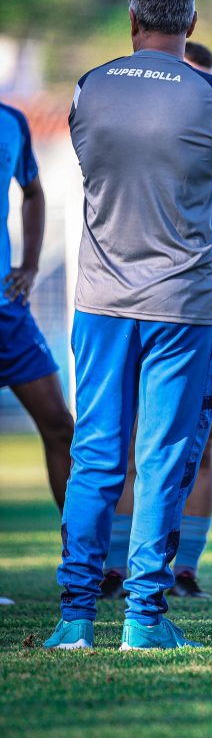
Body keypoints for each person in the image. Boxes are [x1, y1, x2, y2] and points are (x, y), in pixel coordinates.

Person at [43, 0, 212, 650]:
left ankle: (75, 618)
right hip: (184, 306)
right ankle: (143, 620)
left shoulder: (88, 87)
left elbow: (91, 166)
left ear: (131, 22)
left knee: (96, 458)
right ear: (191, 26)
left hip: (101, 302)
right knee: (164, 460)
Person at [101, 41, 212, 601]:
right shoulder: (144, 142)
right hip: (154, 306)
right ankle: (117, 566)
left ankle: (182, 565)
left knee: (206, 442)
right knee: (138, 440)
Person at [0, 100, 73, 512]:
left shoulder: (12, 122)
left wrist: (28, 265)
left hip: (7, 311)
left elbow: (33, 192)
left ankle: (80, 561)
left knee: (60, 426)